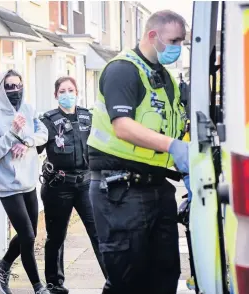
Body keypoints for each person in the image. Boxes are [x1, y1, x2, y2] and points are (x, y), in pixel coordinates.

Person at [86, 10, 190, 294]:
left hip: (157, 188)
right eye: (175, 40)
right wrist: (173, 147)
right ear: (152, 35)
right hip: (121, 191)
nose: (178, 48)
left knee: (165, 275)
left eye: (182, 42)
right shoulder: (123, 70)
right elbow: (123, 126)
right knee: (127, 280)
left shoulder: (165, 78)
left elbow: (178, 123)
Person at [0, 69, 51, 294]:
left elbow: (44, 133)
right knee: (29, 237)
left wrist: (28, 141)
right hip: (8, 187)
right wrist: (12, 133)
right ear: (1, 89)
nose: (14, 91)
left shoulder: (29, 110)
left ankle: (2, 266)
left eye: (17, 86)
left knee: (26, 234)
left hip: (29, 182)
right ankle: (38, 288)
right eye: (9, 86)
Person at [36, 76, 107, 294]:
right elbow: (34, 145)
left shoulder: (89, 116)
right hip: (59, 185)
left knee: (99, 233)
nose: (68, 94)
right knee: (56, 237)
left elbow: (103, 143)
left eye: (71, 90)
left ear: (77, 92)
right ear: (56, 95)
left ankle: (113, 280)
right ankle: (54, 284)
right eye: (63, 91)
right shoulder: (47, 120)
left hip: (86, 184)